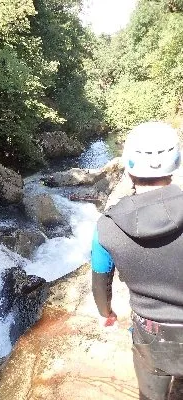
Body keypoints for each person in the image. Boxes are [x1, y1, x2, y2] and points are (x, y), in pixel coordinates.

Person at [91, 121, 183, 400]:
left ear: (129, 167)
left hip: (151, 334)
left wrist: (107, 313)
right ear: (176, 162)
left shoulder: (106, 226)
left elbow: (99, 284)